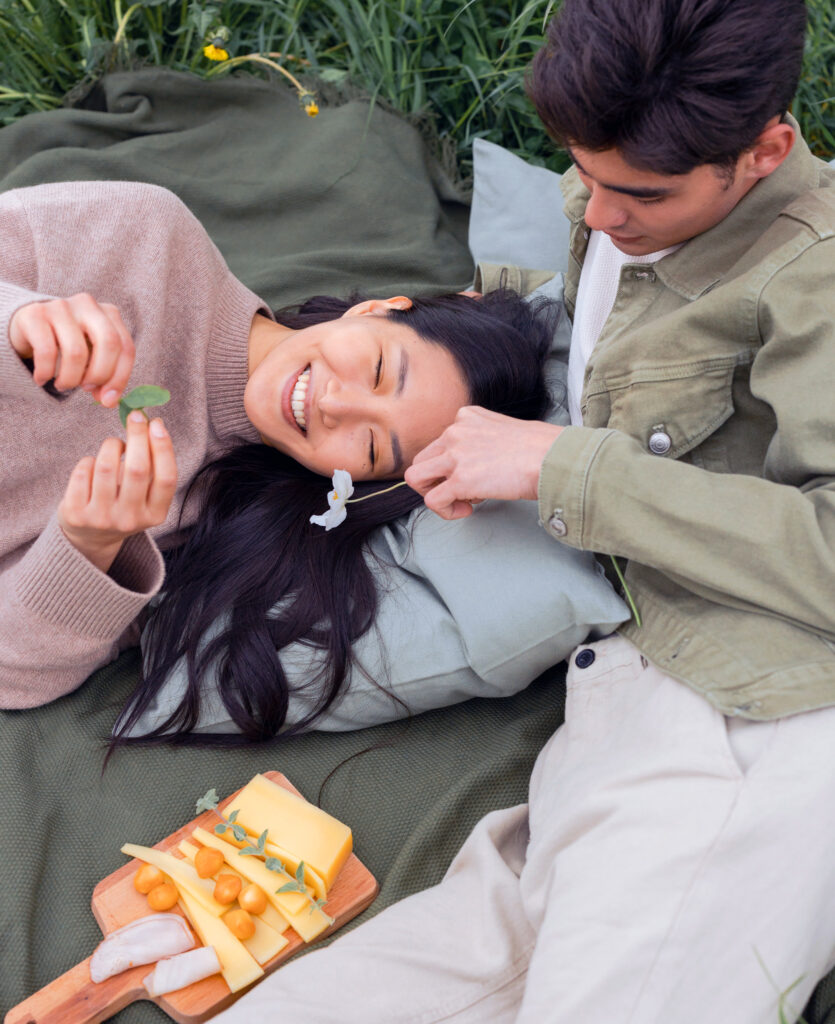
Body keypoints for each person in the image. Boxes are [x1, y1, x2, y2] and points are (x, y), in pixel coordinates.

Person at [213, 0, 835, 1021]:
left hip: (764, 712)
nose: (595, 213)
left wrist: (565, 469)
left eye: (637, 193)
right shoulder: (616, 197)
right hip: (620, 705)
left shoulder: (808, 274)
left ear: (764, 150)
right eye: (581, 174)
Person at [0, 179, 557, 727]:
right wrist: (15, 322)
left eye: (369, 444)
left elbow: (13, 674)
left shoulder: (209, 529)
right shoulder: (147, 237)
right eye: (380, 369)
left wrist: (87, 546)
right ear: (376, 310)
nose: (336, 405)